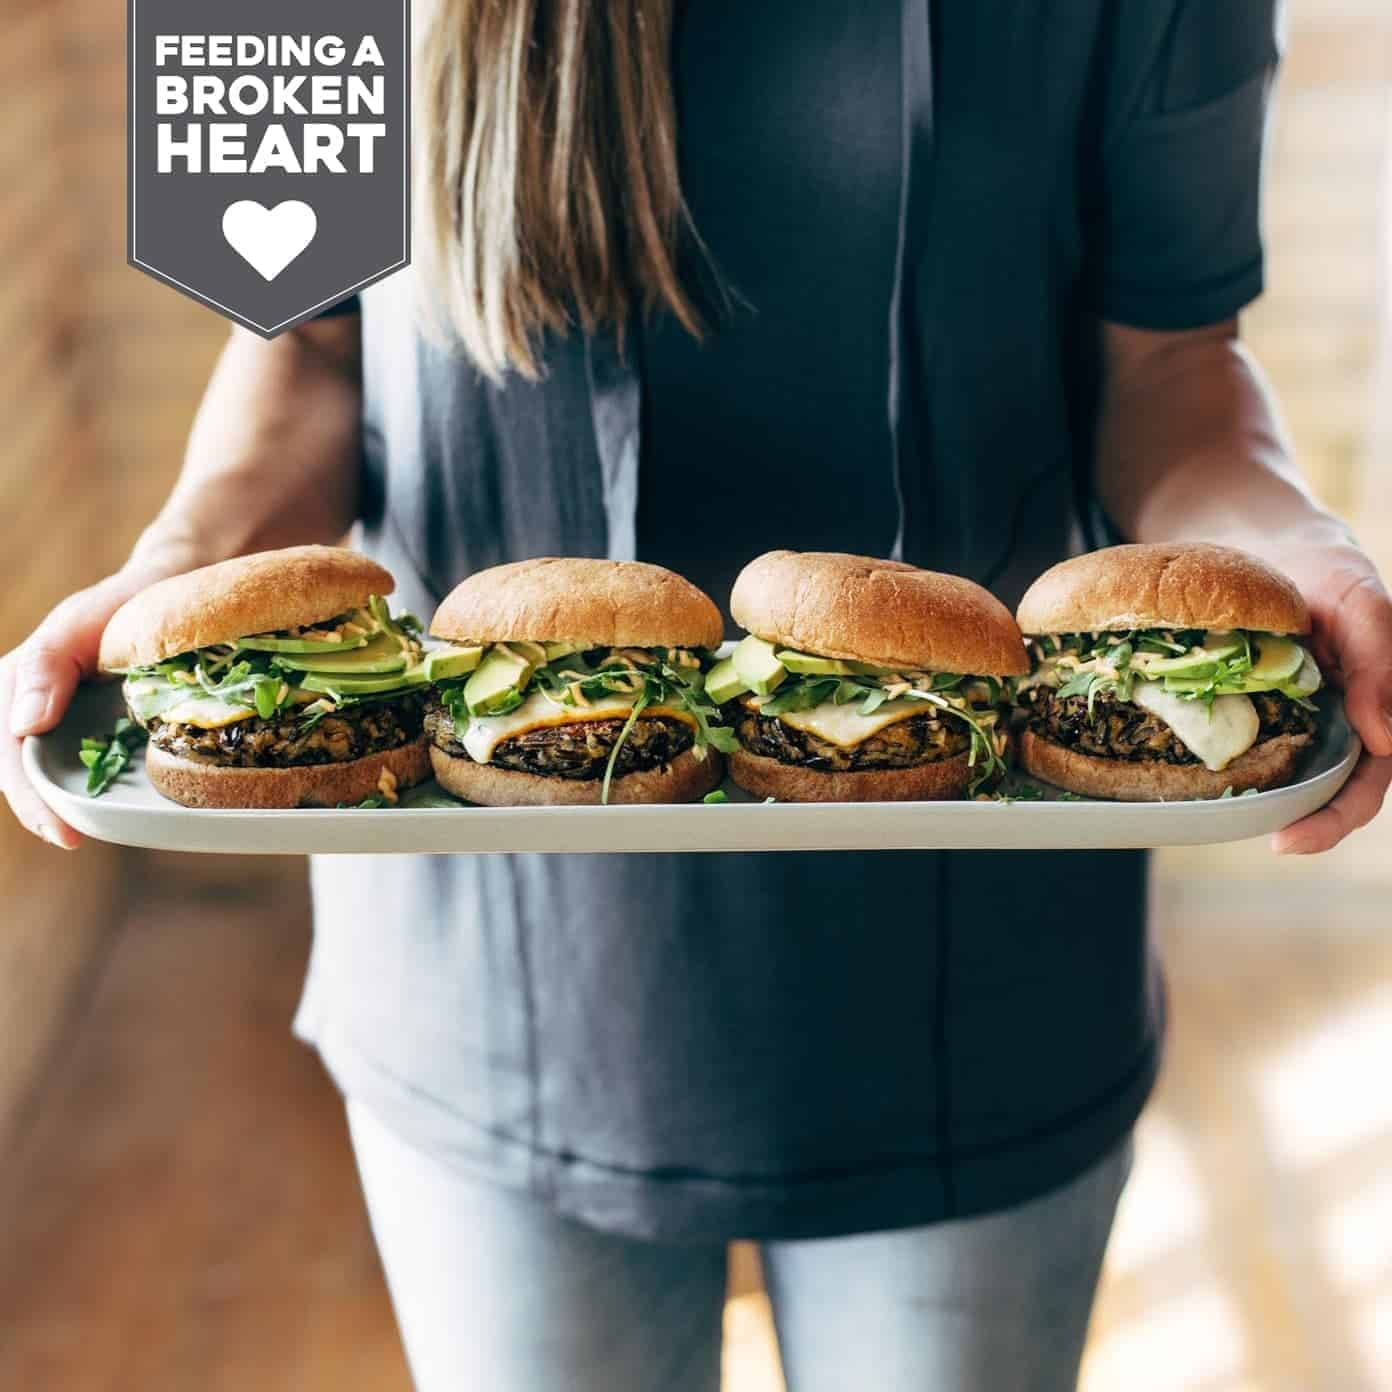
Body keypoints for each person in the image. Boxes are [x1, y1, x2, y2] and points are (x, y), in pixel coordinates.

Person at [5, 3, 1391, 1388]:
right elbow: (298, 346)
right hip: (487, 953)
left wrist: (1304, 556)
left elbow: (1171, 364)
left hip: (980, 954)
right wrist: (172, 572)